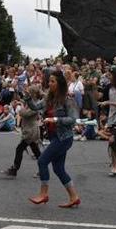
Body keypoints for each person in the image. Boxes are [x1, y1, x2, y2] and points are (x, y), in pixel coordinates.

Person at [26, 70, 81, 208]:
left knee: (42, 161)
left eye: (52, 81)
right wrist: (27, 97)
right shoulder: (48, 99)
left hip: (64, 138)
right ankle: (74, 197)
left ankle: (43, 194)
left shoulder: (68, 100)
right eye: (49, 81)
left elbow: (73, 119)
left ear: (59, 83)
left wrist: (55, 119)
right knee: (58, 169)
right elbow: (34, 107)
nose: (49, 83)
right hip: (54, 137)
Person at [2, 85, 43, 177]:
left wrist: (20, 108)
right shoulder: (31, 103)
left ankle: (14, 169)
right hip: (29, 130)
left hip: (31, 131)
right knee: (36, 152)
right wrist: (21, 103)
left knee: (20, 148)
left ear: (33, 94)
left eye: (29, 92)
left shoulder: (36, 105)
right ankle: (42, 169)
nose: (26, 94)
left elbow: (25, 113)